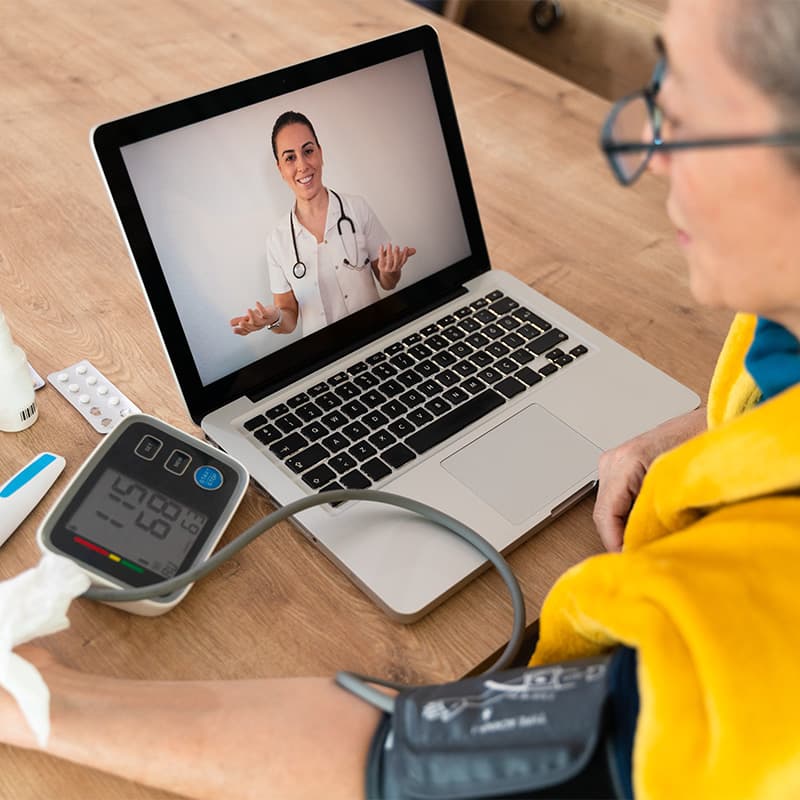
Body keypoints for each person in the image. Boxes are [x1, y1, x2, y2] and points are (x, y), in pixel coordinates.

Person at [4, 0, 800, 796]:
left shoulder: (747, 663)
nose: (653, 153)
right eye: (656, 85)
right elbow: (289, 311)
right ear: (280, 169)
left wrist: (45, 701)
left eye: (686, 109)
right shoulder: (774, 327)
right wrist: (701, 427)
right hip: (320, 382)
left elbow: (401, 758)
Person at [230, 111, 417, 338]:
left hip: (376, 337)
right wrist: (273, 319)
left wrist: (391, 271)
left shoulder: (357, 208)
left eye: (308, 151)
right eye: (290, 158)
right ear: (280, 169)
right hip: (324, 356)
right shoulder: (277, 241)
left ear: (320, 154)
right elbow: (288, 318)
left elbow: (388, 283)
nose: (302, 165)